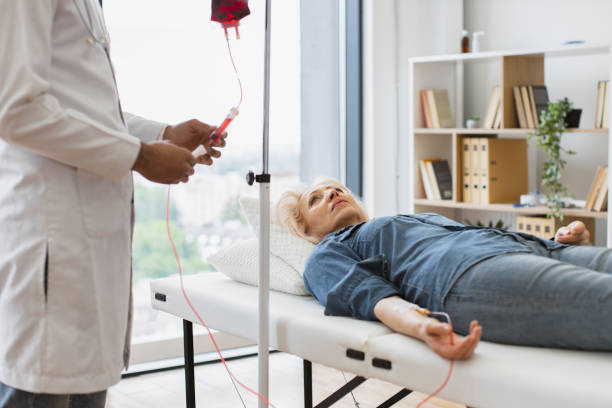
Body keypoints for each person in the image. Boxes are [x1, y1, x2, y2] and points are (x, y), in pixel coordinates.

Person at [0, 1, 227, 407]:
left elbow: (85, 111)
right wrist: (140, 155)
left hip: (88, 257)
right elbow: (16, 109)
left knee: (84, 384)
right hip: (50, 249)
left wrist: (164, 134)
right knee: (40, 386)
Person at [277, 179, 611, 361]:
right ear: (306, 231)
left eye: (335, 189)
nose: (332, 193)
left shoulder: (400, 220)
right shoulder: (324, 255)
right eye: (315, 200)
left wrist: (564, 241)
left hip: (529, 247)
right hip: (472, 274)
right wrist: (421, 325)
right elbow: (372, 297)